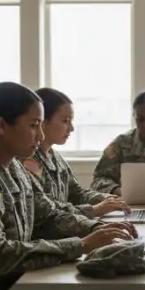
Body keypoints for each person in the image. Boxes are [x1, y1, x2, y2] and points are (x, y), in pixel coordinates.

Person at [0, 83, 136, 290]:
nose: (39, 136)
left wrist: (95, 229)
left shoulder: (13, 168)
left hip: (20, 285)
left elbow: (48, 217)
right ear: (1, 126)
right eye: (34, 125)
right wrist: (79, 245)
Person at [24, 87, 131, 218]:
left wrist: (111, 199)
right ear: (44, 123)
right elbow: (46, 210)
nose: (72, 128)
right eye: (65, 121)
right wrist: (94, 209)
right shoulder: (29, 161)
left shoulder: (55, 157)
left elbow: (77, 193)